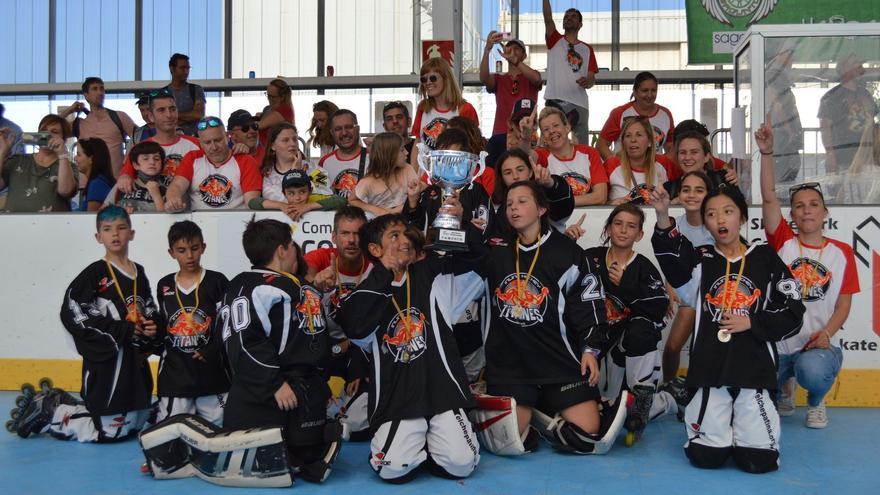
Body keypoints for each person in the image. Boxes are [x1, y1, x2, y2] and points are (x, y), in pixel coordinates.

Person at [651, 185, 805, 473]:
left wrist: (753, 322)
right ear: (706, 223)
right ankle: (718, 423)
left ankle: (744, 426)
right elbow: (674, 260)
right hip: (710, 371)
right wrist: (662, 216)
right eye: (711, 214)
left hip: (754, 370)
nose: (720, 219)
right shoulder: (700, 258)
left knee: (758, 462)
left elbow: (794, 311)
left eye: (728, 212)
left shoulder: (765, 257)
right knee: (706, 457)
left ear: (742, 218)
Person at [479, 181, 626, 456]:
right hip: (512, 364)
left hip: (558, 360)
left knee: (588, 435)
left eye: (522, 201)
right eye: (510, 204)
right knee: (512, 445)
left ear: (542, 208)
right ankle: (536, 412)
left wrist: (590, 349)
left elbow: (589, 305)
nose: (514, 208)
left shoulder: (566, 252)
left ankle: (546, 408)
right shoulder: (494, 253)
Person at [336, 214, 482, 483]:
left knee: (462, 464)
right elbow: (355, 327)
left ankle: (432, 443)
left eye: (406, 234)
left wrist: (457, 219)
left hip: (443, 394)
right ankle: (420, 442)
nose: (405, 241)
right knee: (392, 467)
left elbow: (481, 259)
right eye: (394, 236)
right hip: (397, 400)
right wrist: (384, 273)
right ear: (375, 250)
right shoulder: (367, 291)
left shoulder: (434, 275)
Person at [11, 206, 160, 441]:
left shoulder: (138, 272)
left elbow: (147, 305)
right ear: (98, 237)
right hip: (108, 362)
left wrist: (152, 326)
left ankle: (69, 406)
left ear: (131, 233)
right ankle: (52, 411)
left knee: (137, 422)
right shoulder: (95, 272)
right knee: (112, 432)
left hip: (133, 360)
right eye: (107, 229)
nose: (115, 235)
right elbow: (73, 310)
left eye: (121, 228)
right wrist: (120, 330)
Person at [219, 218, 342, 483]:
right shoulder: (256, 286)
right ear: (282, 249)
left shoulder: (292, 285)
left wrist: (320, 384)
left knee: (308, 454)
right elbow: (244, 341)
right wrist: (274, 383)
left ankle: (305, 454)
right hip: (271, 393)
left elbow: (309, 339)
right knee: (266, 457)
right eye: (291, 246)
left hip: (300, 394)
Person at [757, 119, 859, 429]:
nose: (807, 210)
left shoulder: (841, 252)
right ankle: (784, 388)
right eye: (799, 206)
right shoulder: (784, 242)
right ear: (793, 215)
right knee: (754, 380)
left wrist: (827, 334)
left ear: (825, 213)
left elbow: (843, 304)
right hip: (779, 345)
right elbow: (769, 197)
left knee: (813, 373)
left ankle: (816, 400)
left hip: (815, 345)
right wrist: (768, 154)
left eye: (814, 204)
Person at [579, 205, 677, 444]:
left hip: (625, 350)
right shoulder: (589, 257)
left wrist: (627, 286)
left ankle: (656, 399)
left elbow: (658, 309)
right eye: (618, 224)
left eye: (631, 226)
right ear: (608, 228)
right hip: (596, 344)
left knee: (642, 329)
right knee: (601, 408)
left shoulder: (644, 267)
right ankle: (657, 398)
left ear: (639, 235)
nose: (623, 230)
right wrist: (566, 242)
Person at [304, 206, 373, 440]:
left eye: (358, 233)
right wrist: (315, 284)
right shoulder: (321, 258)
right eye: (345, 233)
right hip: (322, 350)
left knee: (357, 425)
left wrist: (359, 361)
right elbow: (299, 286)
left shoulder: (376, 265)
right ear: (333, 237)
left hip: (361, 350)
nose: (352, 240)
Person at [153, 220, 230, 425]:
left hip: (212, 374)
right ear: (171, 253)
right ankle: (158, 411)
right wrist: (151, 332)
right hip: (176, 375)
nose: (189, 256)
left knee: (221, 430)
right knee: (172, 431)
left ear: (203, 247)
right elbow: (164, 325)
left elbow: (228, 322)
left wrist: (213, 348)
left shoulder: (217, 281)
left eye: (194, 248)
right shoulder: (165, 285)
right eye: (182, 250)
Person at [660, 171, 715, 385]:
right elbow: (669, 263)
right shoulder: (675, 226)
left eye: (699, 190)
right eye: (686, 189)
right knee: (673, 346)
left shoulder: (716, 225)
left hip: (715, 300)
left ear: (709, 194)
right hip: (690, 299)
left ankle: (705, 390)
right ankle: (669, 387)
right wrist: (670, 286)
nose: (692, 195)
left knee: (704, 350)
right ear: (679, 195)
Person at [165, 117, 262, 211]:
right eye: (207, 142)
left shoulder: (245, 161)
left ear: (227, 137)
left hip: (237, 223)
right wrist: (173, 199)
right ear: (200, 143)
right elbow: (177, 185)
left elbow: (252, 203)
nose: (214, 147)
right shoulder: (192, 158)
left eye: (218, 140)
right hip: (198, 224)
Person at [249, 123, 343, 219]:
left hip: (315, 225)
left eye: (295, 139)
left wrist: (299, 174)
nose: (293, 144)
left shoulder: (315, 169)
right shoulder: (267, 174)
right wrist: (293, 173)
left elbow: (329, 198)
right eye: (286, 140)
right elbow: (255, 202)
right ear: (273, 146)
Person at [116, 89, 202, 193]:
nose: (169, 115)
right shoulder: (139, 149)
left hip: (190, 207)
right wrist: (125, 176)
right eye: (161, 110)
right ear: (151, 117)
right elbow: (124, 177)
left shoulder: (196, 144)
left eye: (172, 109)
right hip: (152, 207)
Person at [525, 106, 607, 206]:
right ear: (543, 137)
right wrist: (525, 137)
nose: (552, 131)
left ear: (567, 127)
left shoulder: (589, 153)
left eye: (555, 125)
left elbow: (601, 196)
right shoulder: (542, 155)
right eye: (546, 129)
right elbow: (524, 156)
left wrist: (561, 202)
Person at [541, 0, 598, 145]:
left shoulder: (587, 49)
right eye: (566, 16)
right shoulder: (555, 40)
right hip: (555, 98)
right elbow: (548, 19)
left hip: (580, 103)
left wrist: (587, 81)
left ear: (580, 24)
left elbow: (592, 78)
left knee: (581, 146)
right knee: (549, 142)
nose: (569, 18)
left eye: (573, 16)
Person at [481, 31, 542, 161]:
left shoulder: (530, 76)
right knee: (497, 172)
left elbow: (537, 79)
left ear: (524, 55)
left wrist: (516, 62)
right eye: (510, 47)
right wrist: (487, 50)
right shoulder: (499, 78)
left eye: (517, 49)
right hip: (500, 134)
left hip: (525, 133)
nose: (512, 51)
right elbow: (484, 78)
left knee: (525, 170)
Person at [60, 77, 137, 176]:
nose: (100, 92)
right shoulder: (79, 124)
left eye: (102, 89)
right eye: (95, 89)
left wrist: (128, 163)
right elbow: (49, 129)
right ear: (86, 95)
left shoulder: (119, 117)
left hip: (115, 182)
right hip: (87, 184)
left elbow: (141, 138)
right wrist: (69, 110)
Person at [0, 114, 76, 212]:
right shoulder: (18, 160)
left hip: (52, 226)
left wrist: (62, 154)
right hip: (15, 225)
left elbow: (66, 191)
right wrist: (3, 151)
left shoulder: (67, 166)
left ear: (64, 139)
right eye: (43, 130)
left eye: (54, 132)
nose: (47, 135)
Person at [818, 53, 878, 174]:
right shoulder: (832, 97)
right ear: (846, 69)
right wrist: (830, 155)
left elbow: (873, 123)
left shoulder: (865, 94)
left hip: (867, 156)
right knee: (844, 190)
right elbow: (825, 128)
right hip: (843, 158)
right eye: (856, 64)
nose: (861, 68)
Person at [597, 72, 675, 160]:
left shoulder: (666, 114)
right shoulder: (619, 113)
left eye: (653, 90)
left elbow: (670, 147)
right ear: (635, 92)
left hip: (656, 172)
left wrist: (664, 167)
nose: (649, 95)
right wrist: (615, 166)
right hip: (625, 172)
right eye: (645, 90)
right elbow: (601, 145)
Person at [411, 58, 479, 153]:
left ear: (446, 79)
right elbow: (418, 144)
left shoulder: (465, 109)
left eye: (433, 78)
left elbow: (474, 145)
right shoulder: (423, 107)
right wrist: (413, 168)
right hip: (424, 167)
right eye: (424, 79)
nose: (428, 82)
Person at [605, 116, 674, 205]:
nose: (633, 140)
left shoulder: (664, 163)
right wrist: (610, 204)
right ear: (623, 142)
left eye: (639, 135)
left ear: (649, 141)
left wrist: (675, 201)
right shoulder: (611, 165)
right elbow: (598, 200)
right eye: (628, 136)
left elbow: (685, 184)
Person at [350, 132, 419, 216]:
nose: (407, 152)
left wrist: (394, 211)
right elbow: (352, 200)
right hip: (380, 224)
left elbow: (419, 193)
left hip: (405, 220)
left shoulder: (407, 169)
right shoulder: (368, 181)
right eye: (402, 150)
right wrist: (376, 210)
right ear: (388, 154)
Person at [765, 43, 804, 188]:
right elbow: (777, 104)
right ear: (780, 54)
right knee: (781, 184)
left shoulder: (779, 75)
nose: (792, 58)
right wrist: (790, 131)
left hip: (785, 141)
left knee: (787, 181)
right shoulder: (774, 75)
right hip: (782, 139)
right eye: (789, 53)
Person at [664, 130, 738, 201]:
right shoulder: (668, 189)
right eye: (683, 152)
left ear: (706, 157)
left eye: (694, 152)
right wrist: (672, 204)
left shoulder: (725, 179)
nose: (687, 157)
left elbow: (740, 207)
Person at [318, 109, 368, 199]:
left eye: (348, 127)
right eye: (338, 129)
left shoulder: (374, 157)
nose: (344, 133)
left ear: (357, 129)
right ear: (332, 133)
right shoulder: (324, 163)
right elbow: (320, 196)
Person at [108, 141, 167, 212]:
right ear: (136, 165)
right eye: (145, 159)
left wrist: (156, 195)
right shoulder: (123, 184)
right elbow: (103, 211)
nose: (152, 162)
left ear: (162, 164)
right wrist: (120, 212)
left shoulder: (168, 184)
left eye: (157, 159)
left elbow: (170, 218)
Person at [165, 53, 206, 136]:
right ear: (172, 68)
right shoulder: (162, 93)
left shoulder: (196, 89)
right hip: (171, 140)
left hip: (194, 139)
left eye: (188, 68)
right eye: (182, 68)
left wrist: (173, 116)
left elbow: (199, 114)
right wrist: (189, 116)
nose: (186, 72)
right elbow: (159, 119)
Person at [73, 137, 114, 211]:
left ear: (91, 159)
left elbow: (91, 218)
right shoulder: (101, 181)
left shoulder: (97, 184)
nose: (75, 158)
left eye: (79, 155)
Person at [257, 78, 295, 147]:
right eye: (267, 95)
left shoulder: (284, 109)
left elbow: (259, 125)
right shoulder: (271, 109)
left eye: (273, 97)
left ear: (282, 97)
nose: (269, 99)